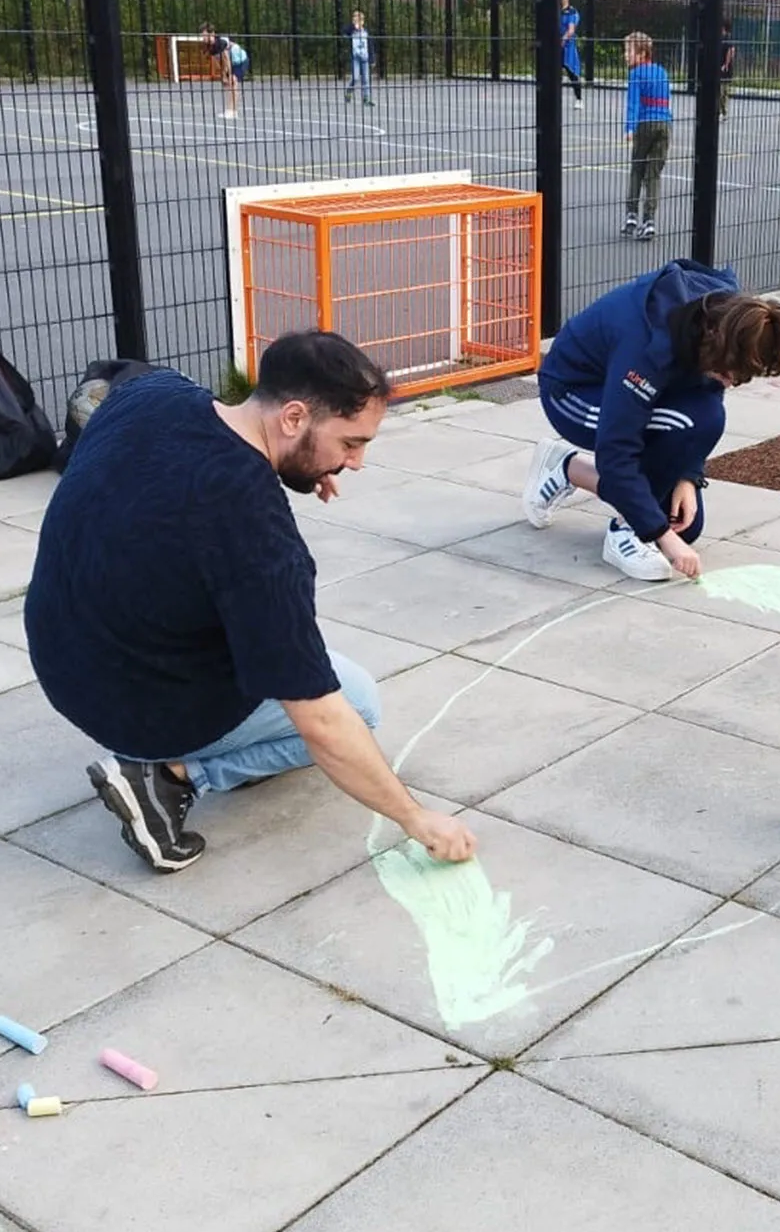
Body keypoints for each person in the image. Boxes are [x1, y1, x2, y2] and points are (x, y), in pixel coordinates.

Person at [26, 332, 477, 873]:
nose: (355, 463)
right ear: (292, 418)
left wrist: (303, 467)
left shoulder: (154, 395)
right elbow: (321, 719)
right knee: (358, 703)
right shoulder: (258, 539)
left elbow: (103, 384)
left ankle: (165, 753)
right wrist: (415, 818)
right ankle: (168, 776)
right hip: (134, 700)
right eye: (350, 443)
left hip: (58, 645)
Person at [520, 258, 780, 582]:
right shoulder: (648, 343)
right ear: (715, 346)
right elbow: (617, 450)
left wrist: (688, 476)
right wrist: (657, 534)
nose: (730, 383)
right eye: (727, 373)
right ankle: (624, 533)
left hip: (631, 385)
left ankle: (567, 468)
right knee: (667, 509)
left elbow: (705, 394)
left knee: (687, 526)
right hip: (573, 392)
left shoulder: (722, 317)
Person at [621, 31, 672, 241]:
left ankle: (631, 215)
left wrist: (629, 128)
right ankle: (649, 220)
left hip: (645, 123)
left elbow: (633, 103)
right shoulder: (662, 71)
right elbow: (667, 99)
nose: (625, 55)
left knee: (637, 169)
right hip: (664, 124)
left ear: (642, 54)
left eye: (628, 51)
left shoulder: (636, 74)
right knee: (654, 174)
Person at [201, 22, 249, 120]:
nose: (203, 38)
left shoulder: (220, 43)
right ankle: (229, 109)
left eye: (205, 35)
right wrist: (223, 75)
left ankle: (233, 111)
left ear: (212, 34)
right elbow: (218, 61)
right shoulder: (210, 47)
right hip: (231, 63)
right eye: (202, 36)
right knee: (228, 85)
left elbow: (226, 59)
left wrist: (227, 74)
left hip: (240, 61)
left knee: (233, 82)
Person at [344, 10, 374, 107]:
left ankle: (366, 99)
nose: (358, 22)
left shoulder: (365, 32)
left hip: (365, 57)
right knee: (355, 77)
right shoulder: (352, 31)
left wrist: (372, 59)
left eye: (360, 20)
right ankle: (348, 92)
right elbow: (344, 31)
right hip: (355, 57)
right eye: (356, 20)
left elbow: (370, 45)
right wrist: (353, 26)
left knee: (366, 79)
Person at [560, 0, 585, 106]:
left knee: (572, 73)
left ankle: (579, 99)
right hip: (555, 46)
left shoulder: (572, 12)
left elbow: (571, 30)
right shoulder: (555, 11)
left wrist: (563, 40)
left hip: (567, 47)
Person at [718, 20, 735, 118]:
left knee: (723, 91)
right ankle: (722, 111)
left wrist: (726, 64)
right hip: (723, 68)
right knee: (722, 91)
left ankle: (723, 111)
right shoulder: (722, 39)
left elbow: (730, 52)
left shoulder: (727, 39)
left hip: (725, 69)